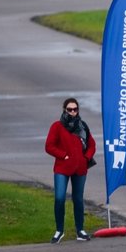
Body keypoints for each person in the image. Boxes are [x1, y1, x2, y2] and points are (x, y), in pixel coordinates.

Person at [45, 97, 96, 244]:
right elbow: (49, 146)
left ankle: (80, 230)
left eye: (75, 109)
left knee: (78, 199)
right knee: (60, 198)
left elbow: (92, 145)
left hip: (80, 168)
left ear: (78, 110)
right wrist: (64, 156)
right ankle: (59, 231)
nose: (72, 112)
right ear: (64, 110)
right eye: (70, 109)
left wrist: (86, 157)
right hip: (62, 168)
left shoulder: (82, 126)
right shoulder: (57, 126)